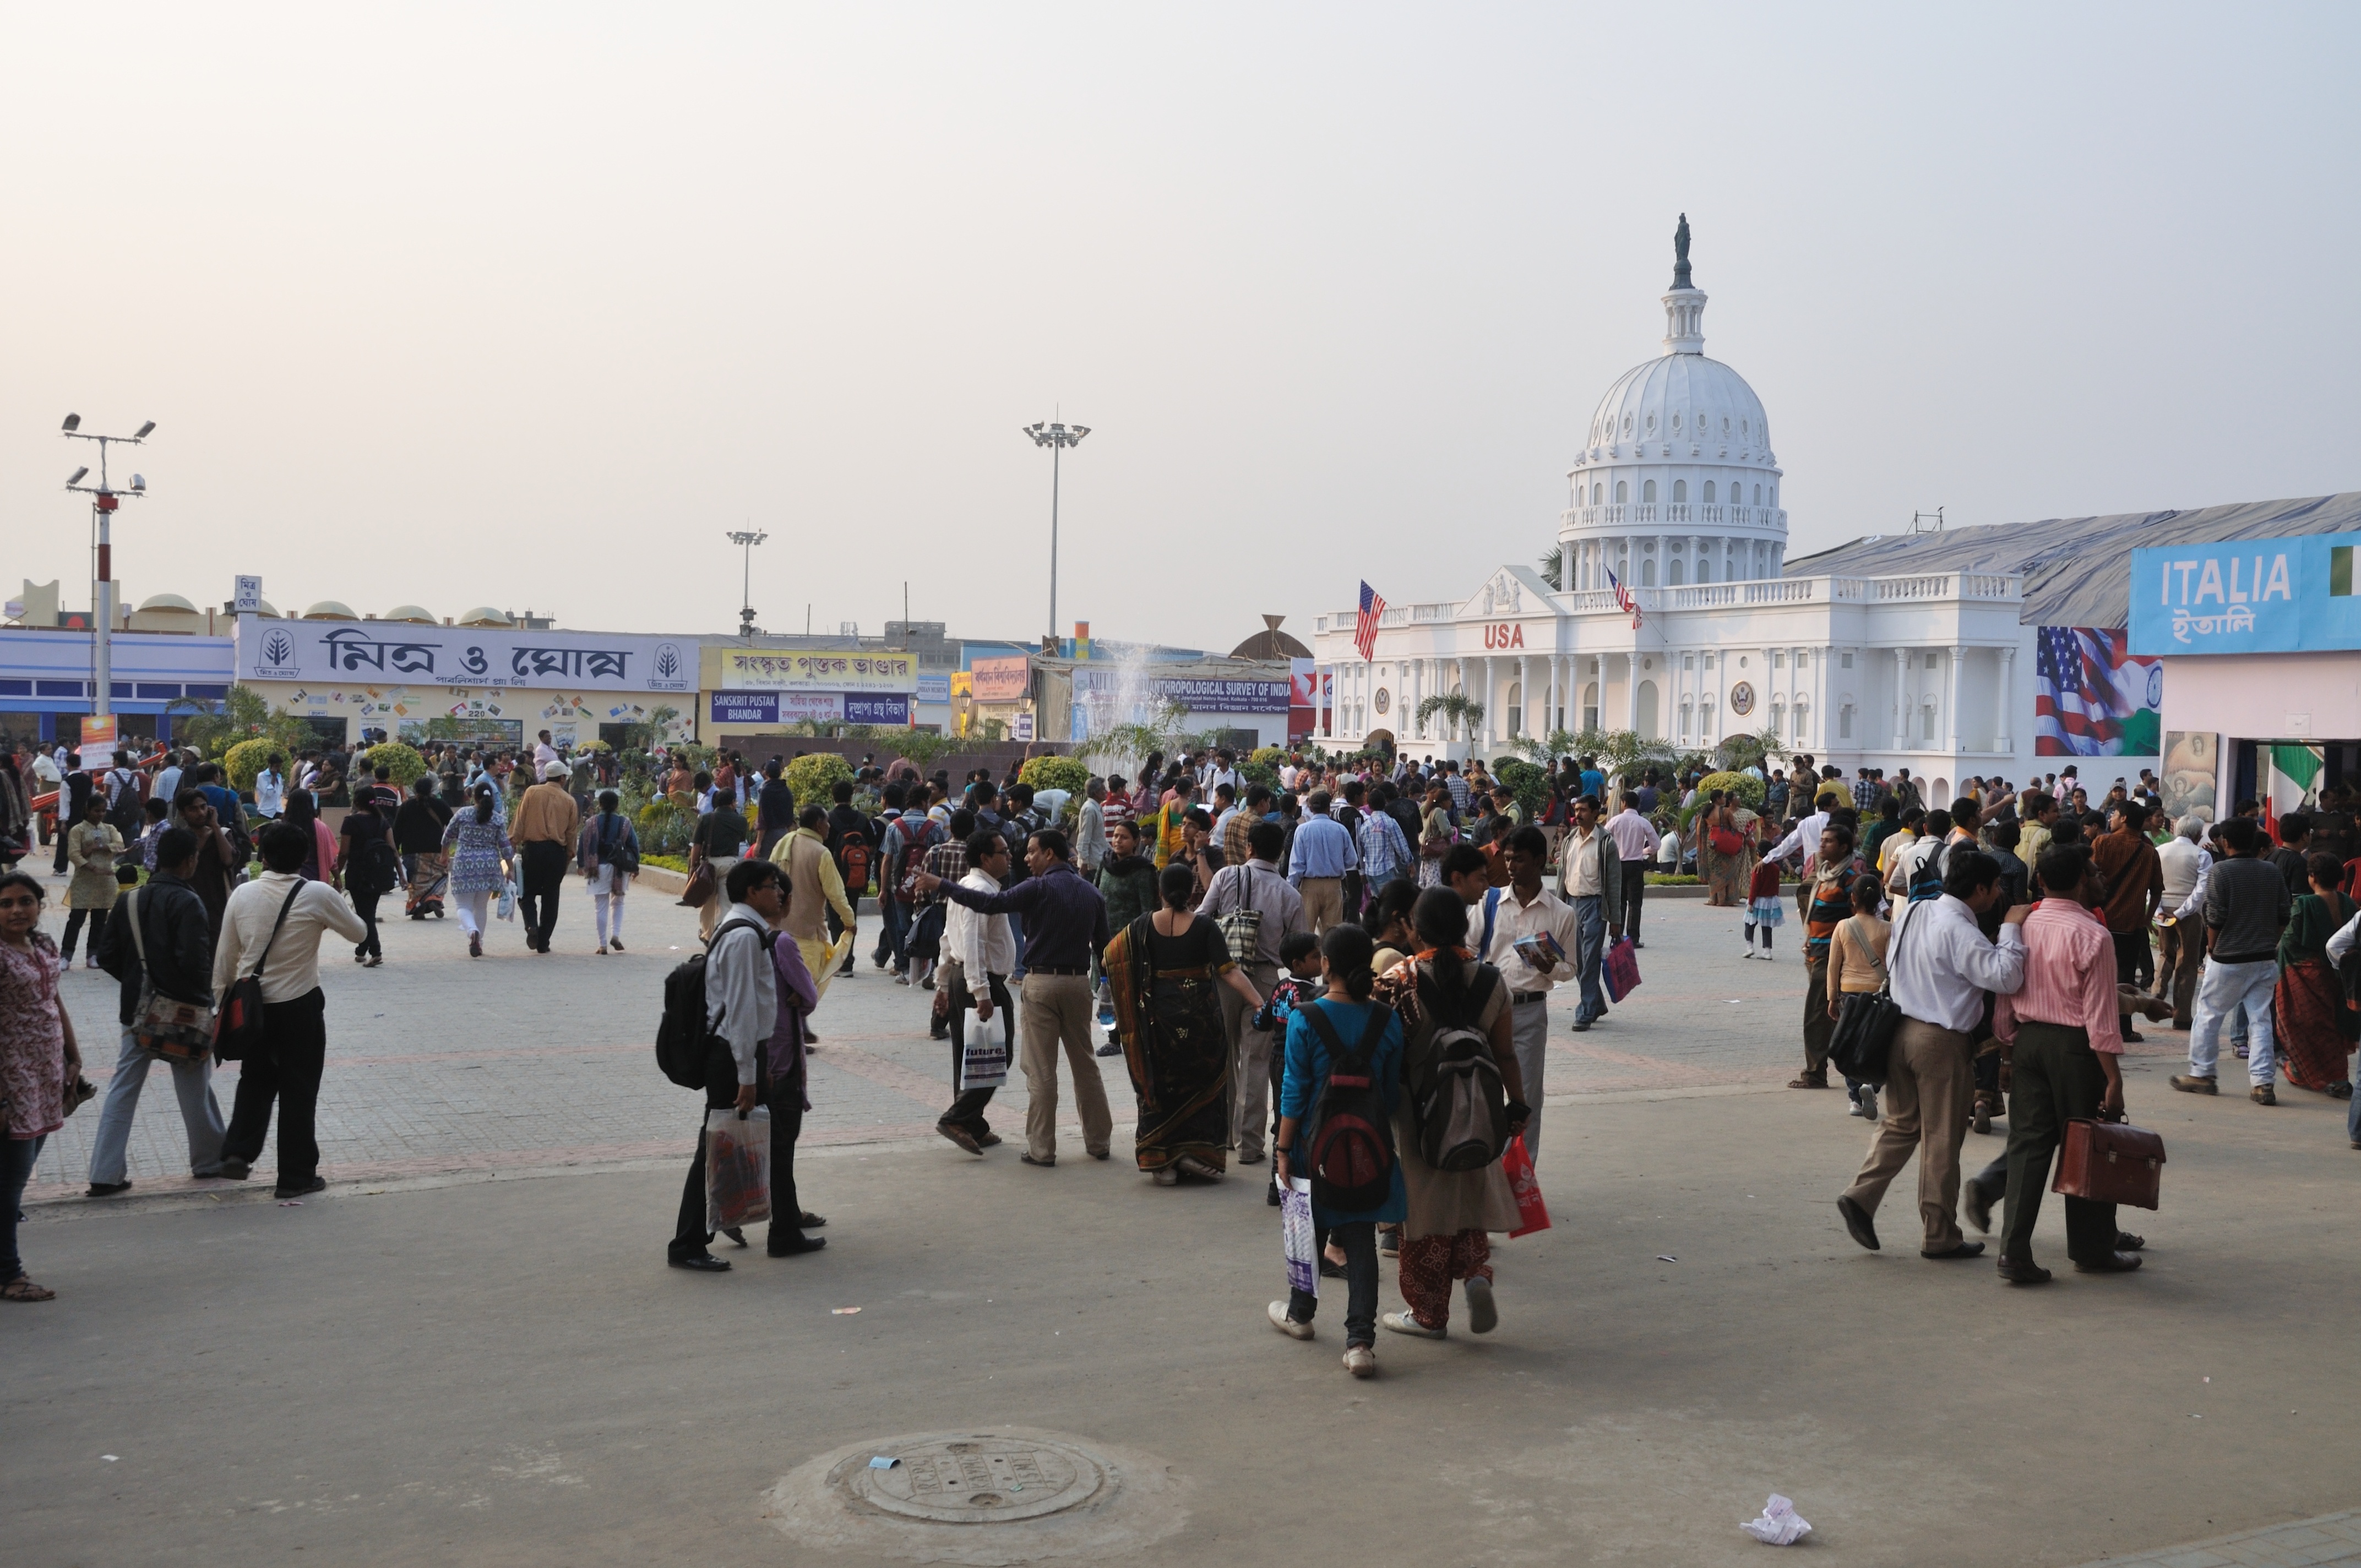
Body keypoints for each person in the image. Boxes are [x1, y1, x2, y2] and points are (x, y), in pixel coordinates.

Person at [1836, 851, 2027, 1260]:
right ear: (1980, 889)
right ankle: (1939, 1232)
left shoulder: (1916, 912)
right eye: (1994, 888)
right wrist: (2011, 930)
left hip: (1900, 1031)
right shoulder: (1960, 930)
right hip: (1940, 1041)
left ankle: (1861, 1195)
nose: (1997, 897)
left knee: (1902, 1125)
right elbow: (2006, 977)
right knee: (1942, 1137)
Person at [1373, 888, 1531, 1339]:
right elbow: (1506, 1054)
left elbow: (1385, 1050)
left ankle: (1428, 1313)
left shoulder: (1399, 978)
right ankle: (1477, 1274)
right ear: (1464, 928)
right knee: (1468, 1194)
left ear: (1413, 928)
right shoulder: (1491, 979)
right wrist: (1517, 1106)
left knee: (1423, 1210)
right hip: (1478, 1108)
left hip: (1416, 1112)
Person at [1988, 845, 2144, 1283]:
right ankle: (2093, 1249)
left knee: (2027, 1147)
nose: (2100, 880)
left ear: (2040, 882)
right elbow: (2100, 1017)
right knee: (2087, 1144)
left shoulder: (2023, 926)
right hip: (2076, 1048)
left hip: (2029, 1040)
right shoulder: (2093, 934)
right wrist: (2114, 1079)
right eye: (2094, 873)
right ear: (2079, 880)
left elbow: (2006, 989)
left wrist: (2008, 1046)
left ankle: (2013, 1252)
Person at [915, 827, 1113, 1168]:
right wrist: (1107, 989)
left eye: (1032, 851)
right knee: (1086, 1063)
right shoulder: (1091, 893)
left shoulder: (1037, 888)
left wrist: (943, 886)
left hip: (1041, 984)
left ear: (1050, 854)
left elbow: (990, 904)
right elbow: (1105, 947)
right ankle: (1098, 1141)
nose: (1025, 858)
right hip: (1080, 985)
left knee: (1041, 1070)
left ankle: (1042, 1149)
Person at [1269, 923, 1405, 1376]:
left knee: (1308, 1227)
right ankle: (1360, 1343)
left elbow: (1293, 1090)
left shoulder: (1305, 1018)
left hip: (1313, 1143)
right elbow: (1389, 1092)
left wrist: (1283, 1149)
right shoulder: (1387, 1020)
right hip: (1369, 1148)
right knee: (1361, 1235)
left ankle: (1300, 1315)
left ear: (1325, 965)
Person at [213, 823, 371, 1197]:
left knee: (255, 1081)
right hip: (300, 1005)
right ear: (304, 859)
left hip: (253, 1006)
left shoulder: (242, 894)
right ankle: (296, 1176)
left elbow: (226, 958)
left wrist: (218, 1004)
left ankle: (238, 1150)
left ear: (263, 856)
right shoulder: (317, 894)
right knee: (299, 1089)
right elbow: (360, 933)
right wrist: (335, 904)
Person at [84, 827, 227, 1196]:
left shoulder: (129, 901)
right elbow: (195, 963)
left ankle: (104, 1173)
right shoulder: (189, 902)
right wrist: (204, 1009)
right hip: (182, 1013)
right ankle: (209, 1161)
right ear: (189, 861)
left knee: (123, 1088)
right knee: (195, 1087)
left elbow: (108, 956)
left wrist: (140, 984)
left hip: (136, 1012)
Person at [1107, 862, 1263, 1185]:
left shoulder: (1141, 926)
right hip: (1201, 1022)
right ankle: (1198, 1155)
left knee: (1161, 1086)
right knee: (1203, 1083)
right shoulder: (1205, 926)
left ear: (1160, 892)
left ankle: (1162, 1162)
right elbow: (1229, 971)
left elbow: (1112, 955)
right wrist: (1259, 1002)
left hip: (1157, 1021)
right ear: (1193, 891)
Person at [668, 859, 791, 1272]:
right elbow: (739, 1010)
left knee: (737, 1141)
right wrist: (747, 1076)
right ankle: (688, 1242)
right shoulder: (743, 937)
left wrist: (759, 1063)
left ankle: (763, 1224)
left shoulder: (748, 930)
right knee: (714, 1146)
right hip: (729, 1055)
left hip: (742, 1053)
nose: (779, 894)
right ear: (752, 892)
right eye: (773, 887)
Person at [1194, 819, 1308, 1164]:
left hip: (1224, 976)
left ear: (1250, 848)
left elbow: (1201, 918)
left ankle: (1225, 1136)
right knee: (1258, 1062)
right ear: (1280, 854)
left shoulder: (1226, 877)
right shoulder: (1290, 893)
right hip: (1266, 982)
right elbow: (1298, 947)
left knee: (1223, 1057)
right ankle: (1250, 1145)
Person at [1468, 826, 1579, 1157]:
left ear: (1541, 862)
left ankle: (1520, 1175)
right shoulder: (1490, 902)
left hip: (1530, 1011)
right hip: (1487, 1009)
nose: (1512, 866)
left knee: (1527, 1097)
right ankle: (1486, 1173)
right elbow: (1468, 947)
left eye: (1519, 859)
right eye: (1508, 858)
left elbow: (1570, 970)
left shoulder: (1561, 913)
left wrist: (1549, 966)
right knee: (1480, 1091)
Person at [2171, 816, 2293, 1104]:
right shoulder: (2271, 872)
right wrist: (2270, 940)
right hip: (2264, 957)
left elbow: (2215, 917)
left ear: (2225, 842)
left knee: (2210, 1014)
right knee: (2261, 1020)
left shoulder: (2220, 872)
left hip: (2228, 956)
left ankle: (2202, 1073)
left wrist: (2213, 949)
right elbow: (2284, 914)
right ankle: (2263, 1084)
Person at [1, 869, 83, 1300]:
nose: (16, 910)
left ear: (39, 905)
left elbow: (54, 1000)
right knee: (9, 1184)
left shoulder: (43, 945)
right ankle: (9, 1276)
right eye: (6, 903)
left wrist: (73, 1055)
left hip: (45, 1075)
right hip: (11, 1081)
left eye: (25, 901)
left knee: (15, 1178)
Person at [937, 830, 1015, 1155]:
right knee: (999, 1054)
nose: (1009, 856)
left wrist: (943, 983)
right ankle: (957, 1118)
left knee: (971, 1056)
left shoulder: (967, 888)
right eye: (1003, 851)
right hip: (977, 980)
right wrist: (981, 992)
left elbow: (946, 937)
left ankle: (973, 1124)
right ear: (985, 858)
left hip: (963, 977)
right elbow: (972, 943)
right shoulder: (980, 890)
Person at [2272, 852, 2355, 1096]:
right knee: (2332, 1025)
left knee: (2300, 1022)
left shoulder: (2305, 905)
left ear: (2313, 877)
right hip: (2340, 975)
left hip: (2307, 975)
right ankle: (2335, 1076)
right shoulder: (2348, 903)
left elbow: (2288, 943)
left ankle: (2312, 1073)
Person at [773, 806, 858, 1030]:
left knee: (789, 983)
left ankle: (800, 1028)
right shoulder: (821, 853)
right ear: (818, 824)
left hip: (778, 927)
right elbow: (836, 894)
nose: (830, 827)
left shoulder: (785, 842)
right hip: (808, 932)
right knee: (804, 985)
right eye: (827, 822)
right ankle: (797, 1031)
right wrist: (850, 921)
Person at [2089, 799, 2164, 1043]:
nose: (2110, 818)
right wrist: (2146, 917)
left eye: (2114, 814)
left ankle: (2094, 1024)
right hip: (2130, 926)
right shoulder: (2149, 850)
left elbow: (2089, 878)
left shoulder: (2102, 843)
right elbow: (2157, 889)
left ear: (2123, 819)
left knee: (2095, 977)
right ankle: (2123, 1028)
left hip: (2101, 922)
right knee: (2125, 978)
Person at [1552, 797, 1623, 1035]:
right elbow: (1562, 876)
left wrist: (1615, 920)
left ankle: (1585, 1013)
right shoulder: (1570, 839)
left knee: (1590, 959)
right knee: (1578, 961)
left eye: (1583, 810)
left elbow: (1614, 884)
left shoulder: (1606, 844)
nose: (1578, 814)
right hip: (1571, 904)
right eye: (1576, 810)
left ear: (1595, 812)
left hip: (1594, 907)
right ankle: (1596, 1004)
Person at [1823, 874, 1889, 1120]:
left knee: (1850, 1044)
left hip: (1849, 992)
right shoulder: (1887, 929)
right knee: (1878, 1044)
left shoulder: (1843, 927)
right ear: (1878, 901)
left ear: (1853, 898)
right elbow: (1895, 965)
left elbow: (1833, 965)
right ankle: (1872, 1087)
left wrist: (1832, 997)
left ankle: (1855, 1099)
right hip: (1878, 992)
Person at [509, 760, 581, 955]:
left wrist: (512, 843)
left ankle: (532, 925)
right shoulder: (569, 801)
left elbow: (520, 821)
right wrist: (568, 857)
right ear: (563, 778)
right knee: (551, 897)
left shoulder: (532, 792)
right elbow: (571, 834)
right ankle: (544, 942)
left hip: (533, 850)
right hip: (556, 852)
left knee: (527, 893)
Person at [442, 784, 512, 959]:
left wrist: (444, 856)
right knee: (481, 907)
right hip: (489, 865)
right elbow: (505, 846)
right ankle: (479, 943)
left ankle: (472, 931)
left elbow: (447, 837)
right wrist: (509, 868)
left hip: (464, 863)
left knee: (462, 906)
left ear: (474, 797)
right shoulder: (497, 819)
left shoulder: (463, 814)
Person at [2154, 815, 2210, 1030]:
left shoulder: (2160, 851)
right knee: (2187, 962)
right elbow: (2201, 890)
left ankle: (2156, 995)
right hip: (2188, 913)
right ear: (2197, 835)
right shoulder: (2201, 854)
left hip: (2163, 909)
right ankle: (2182, 1016)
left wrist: (2159, 910)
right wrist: (2182, 912)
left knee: (2165, 954)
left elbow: (2153, 885)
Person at [61, 794, 124, 970]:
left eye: (103, 811)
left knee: (100, 919)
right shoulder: (78, 830)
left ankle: (93, 954)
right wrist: (91, 867)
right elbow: (74, 854)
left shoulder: (110, 829)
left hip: (105, 880)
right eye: (97, 811)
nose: (100, 814)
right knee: (76, 919)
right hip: (84, 880)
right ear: (88, 810)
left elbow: (120, 845)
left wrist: (100, 847)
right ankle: (66, 955)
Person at [335, 792, 398, 967]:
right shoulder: (383, 822)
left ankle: (376, 951)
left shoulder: (350, 822)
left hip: (358, 874)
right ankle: (361, 949)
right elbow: (393, 849)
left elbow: (344, 852)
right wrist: (401, 873)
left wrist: (336, 874)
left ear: (356, 802)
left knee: (366, 914)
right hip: (379, 875)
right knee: (368, 912)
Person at [579, 789, 641, 956]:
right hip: (619, 868)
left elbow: (583, 843)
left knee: (601, 907)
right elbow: (634, 845)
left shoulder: (591, 823)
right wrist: (636, 866)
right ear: (617, 805)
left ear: (599, 805)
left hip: (597, 867)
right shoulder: (625, 823)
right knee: (618, 903)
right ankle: (616, 935)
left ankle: (603, 945)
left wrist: (581, 864)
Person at [1287, 790, 1359, 933]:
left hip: (1310, 886)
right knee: (1332, 934)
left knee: (1306, 932)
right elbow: (1352, 860)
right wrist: (1336, 863)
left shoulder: (1302, 830)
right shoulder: (1340, 829)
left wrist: (1292, 888)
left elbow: (1296, 865)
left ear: (1311, 809)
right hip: (1334, 885)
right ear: (1329, 809)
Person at [692, 786, 753, 944]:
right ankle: (722, 936)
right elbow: (741, 838)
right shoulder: (741, 821)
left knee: (708, 903)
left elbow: (697, 846)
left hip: (709, 864)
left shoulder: (705, 819)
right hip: (730, 863)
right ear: (732, 803)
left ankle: (707, 935)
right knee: (725, 903)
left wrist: (694, 866)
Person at [395, 776, 453, 919]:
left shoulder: (406, 807)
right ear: (431, 789)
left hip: (412, 852)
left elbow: (396, 831)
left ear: (415, 790)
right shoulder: (441, 805)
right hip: (437, 850)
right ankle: (434, 899)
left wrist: (395, 851)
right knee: (439, 877)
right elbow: (453, 826)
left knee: (417, 884)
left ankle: (419, 910)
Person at [1606, 791, 1660, 947]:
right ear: (1638, 805)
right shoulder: (1643, 822)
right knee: (1635, 903)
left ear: (1623, 803)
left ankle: (1617, 936)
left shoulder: (1614, 821)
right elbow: (1656, 845)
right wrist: (1644, 852)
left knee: (1619, 902)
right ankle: (1633, 938)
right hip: (1636, 865)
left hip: (1618, 865)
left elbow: (1603, 840)